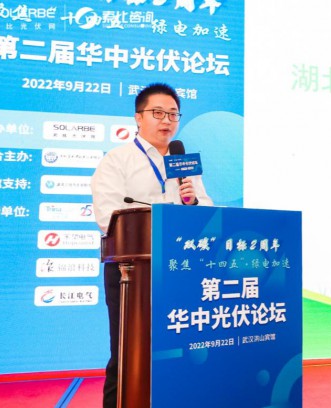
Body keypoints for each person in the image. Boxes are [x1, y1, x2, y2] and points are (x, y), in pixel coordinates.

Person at [90, 82, 213, 407]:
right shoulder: (117, 160)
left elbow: (206, 210)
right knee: (128, 355)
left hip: (179, 269)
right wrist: (159, 217)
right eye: (158, 113)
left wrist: (192, 203)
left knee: (177, 352)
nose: (167, 120)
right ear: (138, 117)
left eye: (173, 114)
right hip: (132, 272)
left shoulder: (184, 162)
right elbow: (108, 216)